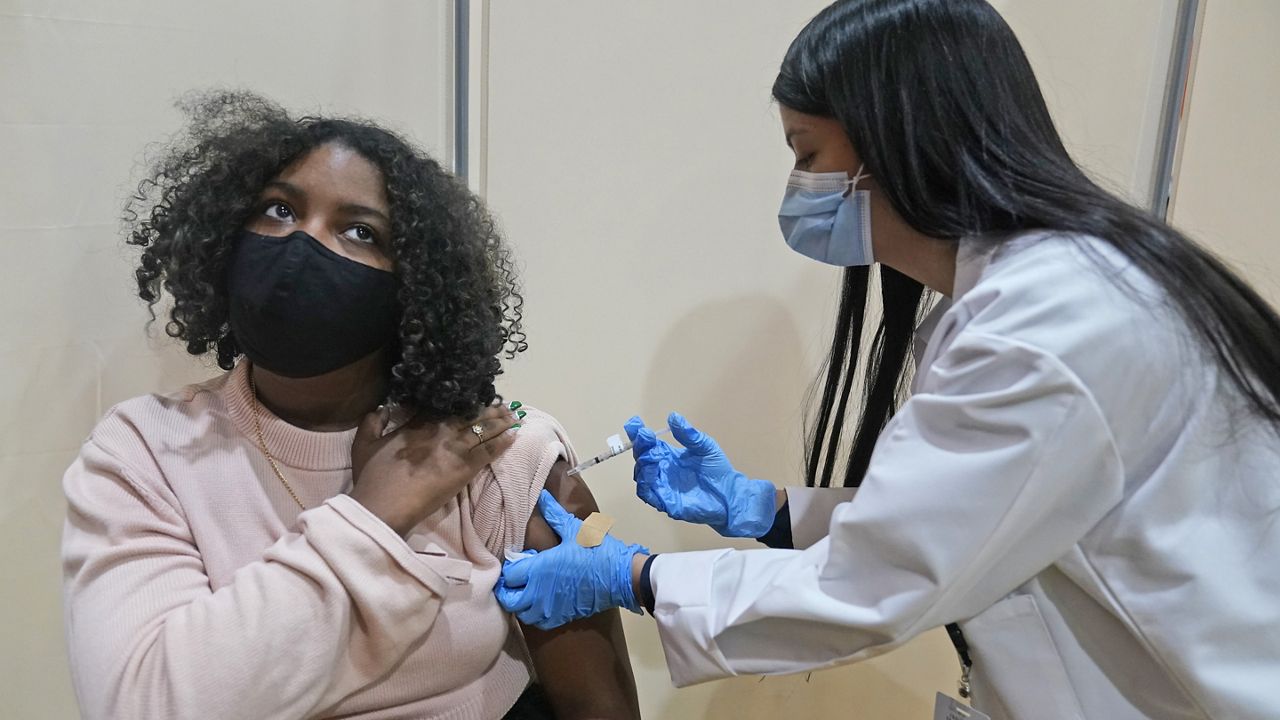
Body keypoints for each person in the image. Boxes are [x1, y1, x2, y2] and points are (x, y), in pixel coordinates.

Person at [494, 1, 1280, 718]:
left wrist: (633, 577)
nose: (800, 186)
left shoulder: (1049, 326)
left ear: (899, 140)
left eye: (807, 152)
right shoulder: (1021, 302)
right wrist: (767, 511)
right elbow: (962, 516)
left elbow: (876, 584)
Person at [61, 91, 639, 720]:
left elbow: (599, 708)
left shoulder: (500, 454)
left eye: (360, 231)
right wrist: (374, 513)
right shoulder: (146, 450)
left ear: (416, 287)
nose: (302, 242)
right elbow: (145, 705)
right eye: (279, 209)